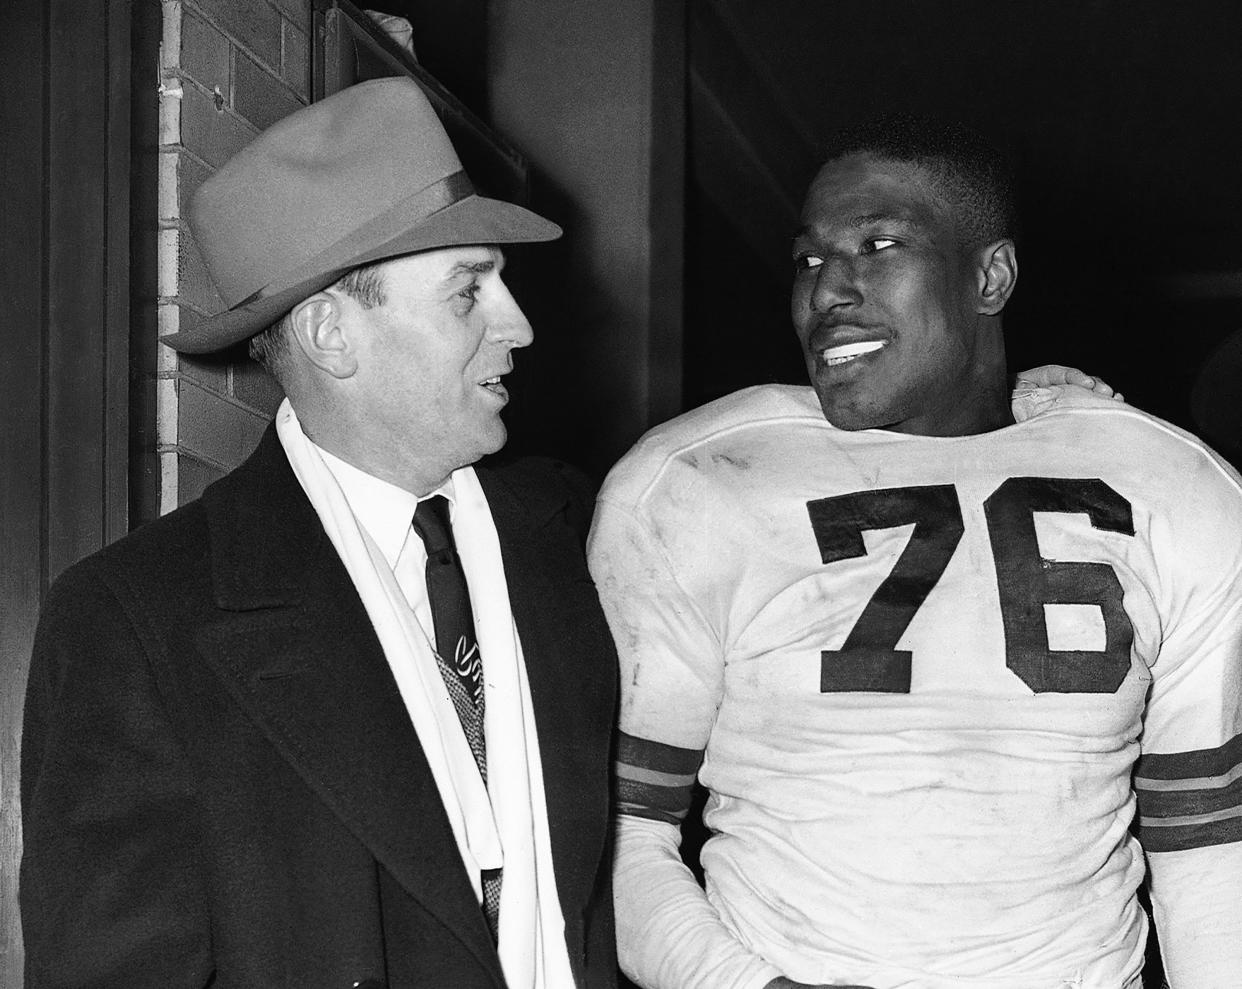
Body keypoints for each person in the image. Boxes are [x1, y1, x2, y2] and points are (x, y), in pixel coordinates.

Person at [589, 115, 1242, 989]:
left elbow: (1203, 842)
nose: (828, 291)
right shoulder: (691, 482)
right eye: (809, 259)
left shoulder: (1174, 486)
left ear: (990, 275)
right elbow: (617, 840)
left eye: (877, 244)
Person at [20, 77, 618, 989]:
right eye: (470, 291)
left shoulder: (571, 532)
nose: (521, 325)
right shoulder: (136, 621)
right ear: (333, 332)